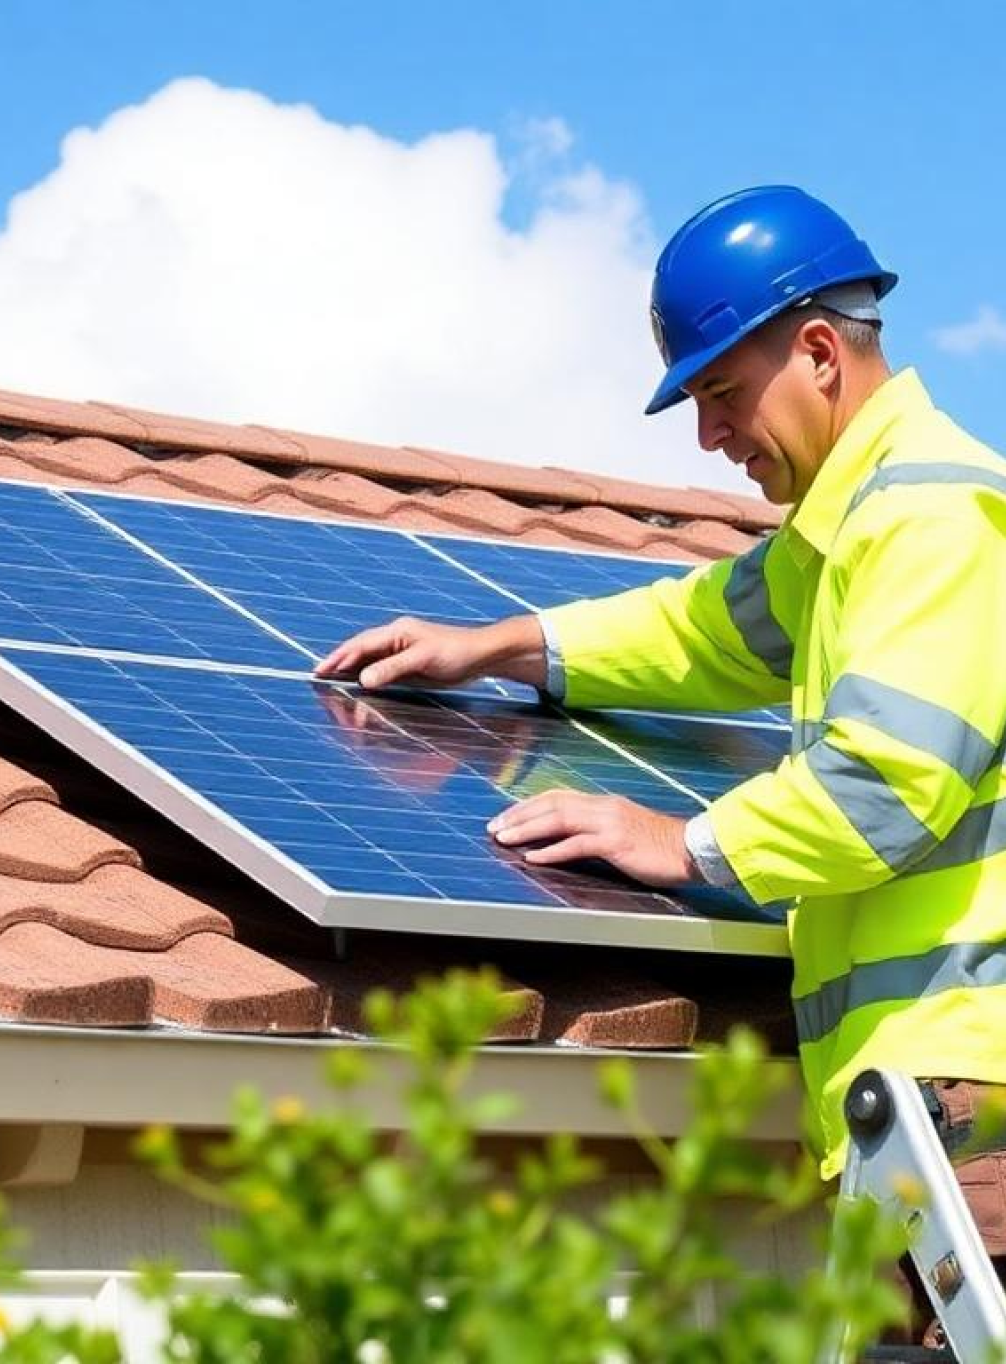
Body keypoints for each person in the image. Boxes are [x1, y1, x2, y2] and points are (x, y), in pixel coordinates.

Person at [315, 185, 1006, 1342]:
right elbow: (704, 629)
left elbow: (885, 787)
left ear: (822, 352)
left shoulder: (935, 523)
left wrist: (683, 841)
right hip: (923, 1118)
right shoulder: (848, 536)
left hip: (979, 1109)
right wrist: (506, 644)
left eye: (723, 393)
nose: (710, 436)